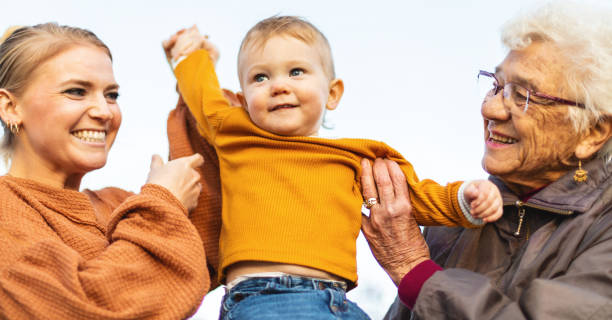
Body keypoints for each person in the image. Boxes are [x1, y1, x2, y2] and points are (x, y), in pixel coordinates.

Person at [162, 16, 503, 319]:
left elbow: (411, 195)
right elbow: (202, 94)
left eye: (296, 72)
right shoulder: (236, 131)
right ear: (245, 96)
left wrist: (465, 197)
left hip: (340, 304)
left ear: (333, 93)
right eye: (260, 77)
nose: (279, 85)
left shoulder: (354, 157)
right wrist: (191, 55)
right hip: (266, 298)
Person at [360, 1, 612, 319]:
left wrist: (414, 271)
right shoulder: (456, 220)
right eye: (496, 86)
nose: (491, 109)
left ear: (593, 131)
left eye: (523, 96)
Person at [0, 23, 208, 319]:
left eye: (111, 95)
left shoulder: (119, 206)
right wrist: (164, 202)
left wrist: (195, 74)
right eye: (76, 91)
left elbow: (216, 234)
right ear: (10, 107)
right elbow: (86, 310)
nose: (104, 111)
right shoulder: (6, 213)